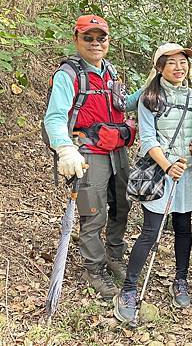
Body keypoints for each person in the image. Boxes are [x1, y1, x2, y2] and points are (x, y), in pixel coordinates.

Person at [43, 15, 141, 299]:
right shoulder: (68, 74)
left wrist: (150, 85)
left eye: (101, 38)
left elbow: (122, 105)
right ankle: (94, 267)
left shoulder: (110, 71)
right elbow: (55, 116)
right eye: (88, 38)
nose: (95, 43)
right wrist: (64, 148)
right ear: (76, 39)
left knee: (121, 206)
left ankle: (113, 255)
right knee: (92, 212)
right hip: (86, 154)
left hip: (117, 151)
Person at [113, 43, 192, 322]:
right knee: (150, 232)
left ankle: (181, 279)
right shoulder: (150, 97)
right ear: (160, 67)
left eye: (183, 62)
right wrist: (167, 165)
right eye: (172, 62)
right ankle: (129, 288)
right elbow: (147, 138)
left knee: (183, 228)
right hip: (160, 171)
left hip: (187, 173)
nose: (179, 67)